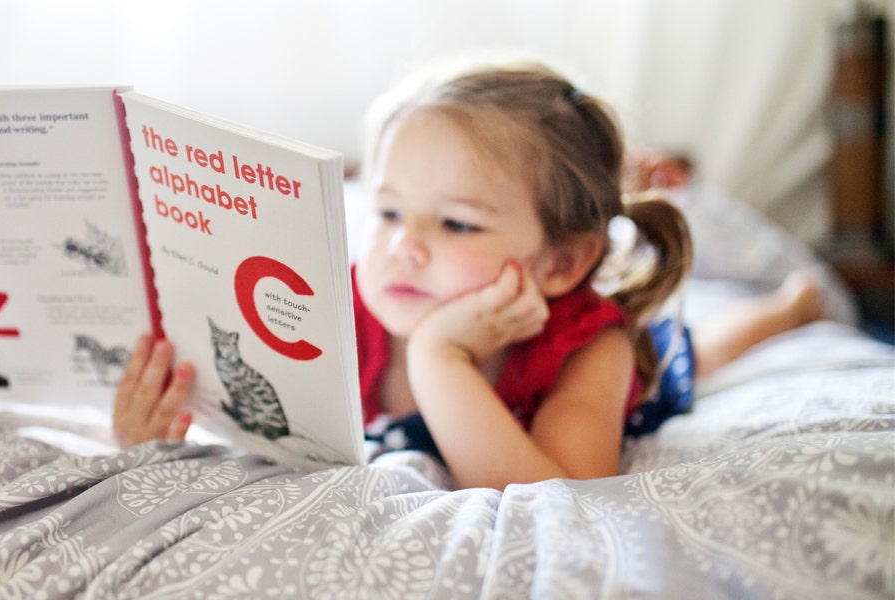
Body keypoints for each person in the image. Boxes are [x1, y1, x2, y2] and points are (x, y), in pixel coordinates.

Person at [112, 60, 827, 490]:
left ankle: (791, 306)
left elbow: (562, 493)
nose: (405, 247)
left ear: (562, 262)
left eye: (455, 223)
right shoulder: (347, 311)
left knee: (692, 354)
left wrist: (438, 356)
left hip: (632, 361)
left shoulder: (590, 347)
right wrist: (161, 436)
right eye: (388, 212)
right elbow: (263, 433)